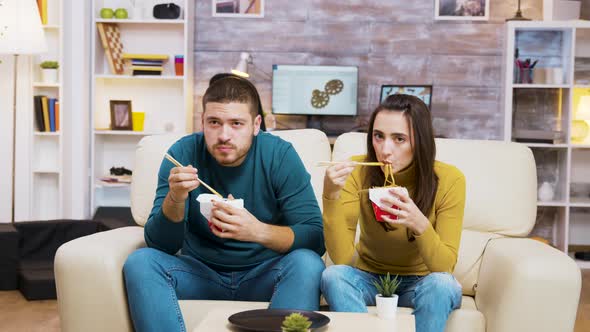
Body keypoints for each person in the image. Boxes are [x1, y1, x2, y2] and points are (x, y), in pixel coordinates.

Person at [123, 76, 325, 332]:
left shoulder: (279, 155)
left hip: (265, 274)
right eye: (214, 123)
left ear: (256, 125)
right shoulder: (182, 155)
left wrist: (256, 231)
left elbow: (315, 238)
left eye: (236, 124)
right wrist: (175, 199)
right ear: (202, 122)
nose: (224, 135)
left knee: (307, 263)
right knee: (141, 262)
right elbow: (161, 245)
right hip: (200, 274)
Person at [321, 94, 466, 332]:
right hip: (369, 278)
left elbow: (444, 267)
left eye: (399, 139)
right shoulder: (356, 172)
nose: (385, 150)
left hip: (422, 282)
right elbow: (343, 260)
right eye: (378, 137)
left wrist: (418, 223)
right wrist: (331, 196)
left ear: (420, 142)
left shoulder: (450, 179)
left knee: (442, 284)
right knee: (333, 276)